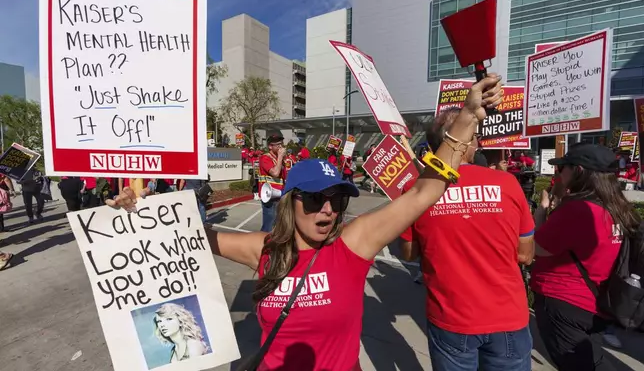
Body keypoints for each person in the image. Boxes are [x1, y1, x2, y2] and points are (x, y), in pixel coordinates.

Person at [107, 74, 503, 370]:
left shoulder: (354, 243)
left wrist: (466, 117)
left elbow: (423, 192)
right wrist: (139, 206)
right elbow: (189, 235)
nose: (327, 210)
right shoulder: (262, 249)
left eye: (337, 199)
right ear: (291, 203)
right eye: (314, 199)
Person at [399, 107, 535, 371]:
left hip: (451, 317)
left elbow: (408, 253)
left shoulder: (417, 188)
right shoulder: (507, 183)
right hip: (507, 315)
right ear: (469, 141)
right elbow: (525, 255)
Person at [531, 143, 641, 370]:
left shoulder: (578, 210)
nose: (559, 174)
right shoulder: (619, 207)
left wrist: (542, 210)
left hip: (563, 301)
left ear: (579, 170)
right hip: (599, 300)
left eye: (563, 169)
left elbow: (536, 247)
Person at [259, 135, 287, 232]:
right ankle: (263, 244)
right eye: (278, 145)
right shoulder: (265, 158)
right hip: (269, 195)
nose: (281, 147)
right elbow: (275, 173)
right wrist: (280, 157)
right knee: (269, 226)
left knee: (278, 225)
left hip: (279, 194)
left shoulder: (280, 159)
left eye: (281, 144)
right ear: (270, 146)